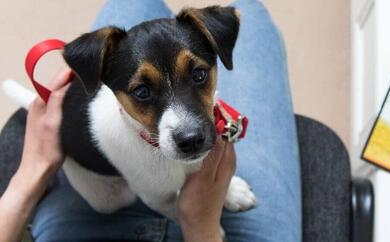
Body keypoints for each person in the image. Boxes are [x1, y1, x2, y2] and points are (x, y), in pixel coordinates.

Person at [0, 0, 301, 241]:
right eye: (142, 91)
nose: (187, 127)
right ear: (107, 83)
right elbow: (157, 198)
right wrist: (202, 226)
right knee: (111, 202)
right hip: (111, 189)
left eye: (198, 75)